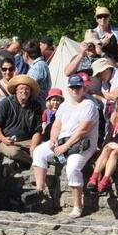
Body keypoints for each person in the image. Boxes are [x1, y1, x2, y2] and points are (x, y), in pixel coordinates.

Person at [33, 75, 99, 217]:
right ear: (68, 88)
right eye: (72, 87)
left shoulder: (89, 105)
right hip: (63, 141)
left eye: (78, 87)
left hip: (82, 143)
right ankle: (40, 192)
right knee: (39, 152)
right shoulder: (64, 105)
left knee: (72, 167)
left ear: (83, 88)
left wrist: (66, 146)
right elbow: (57, 124)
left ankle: (77, 205)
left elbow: (83, 130)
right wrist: (53, 139)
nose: (75, 90)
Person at [0, 74, 43, 166]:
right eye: (21, 88)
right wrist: (3, 139)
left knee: (44, 149)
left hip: (28, 140)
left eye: (27, 89)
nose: (24, 91)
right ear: (16, 90)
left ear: (30, 91)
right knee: (14, 152)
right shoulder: (5, 103)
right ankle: (34, 162)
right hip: (8, 141)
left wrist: (33, 146)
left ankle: (34, 160)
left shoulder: (36, 106)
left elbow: (37, 130)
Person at [23, 39, 51, 105]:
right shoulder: (41, 64)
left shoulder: (36, 68)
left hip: (36, 106)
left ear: (26, 54)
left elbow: (27, 88)